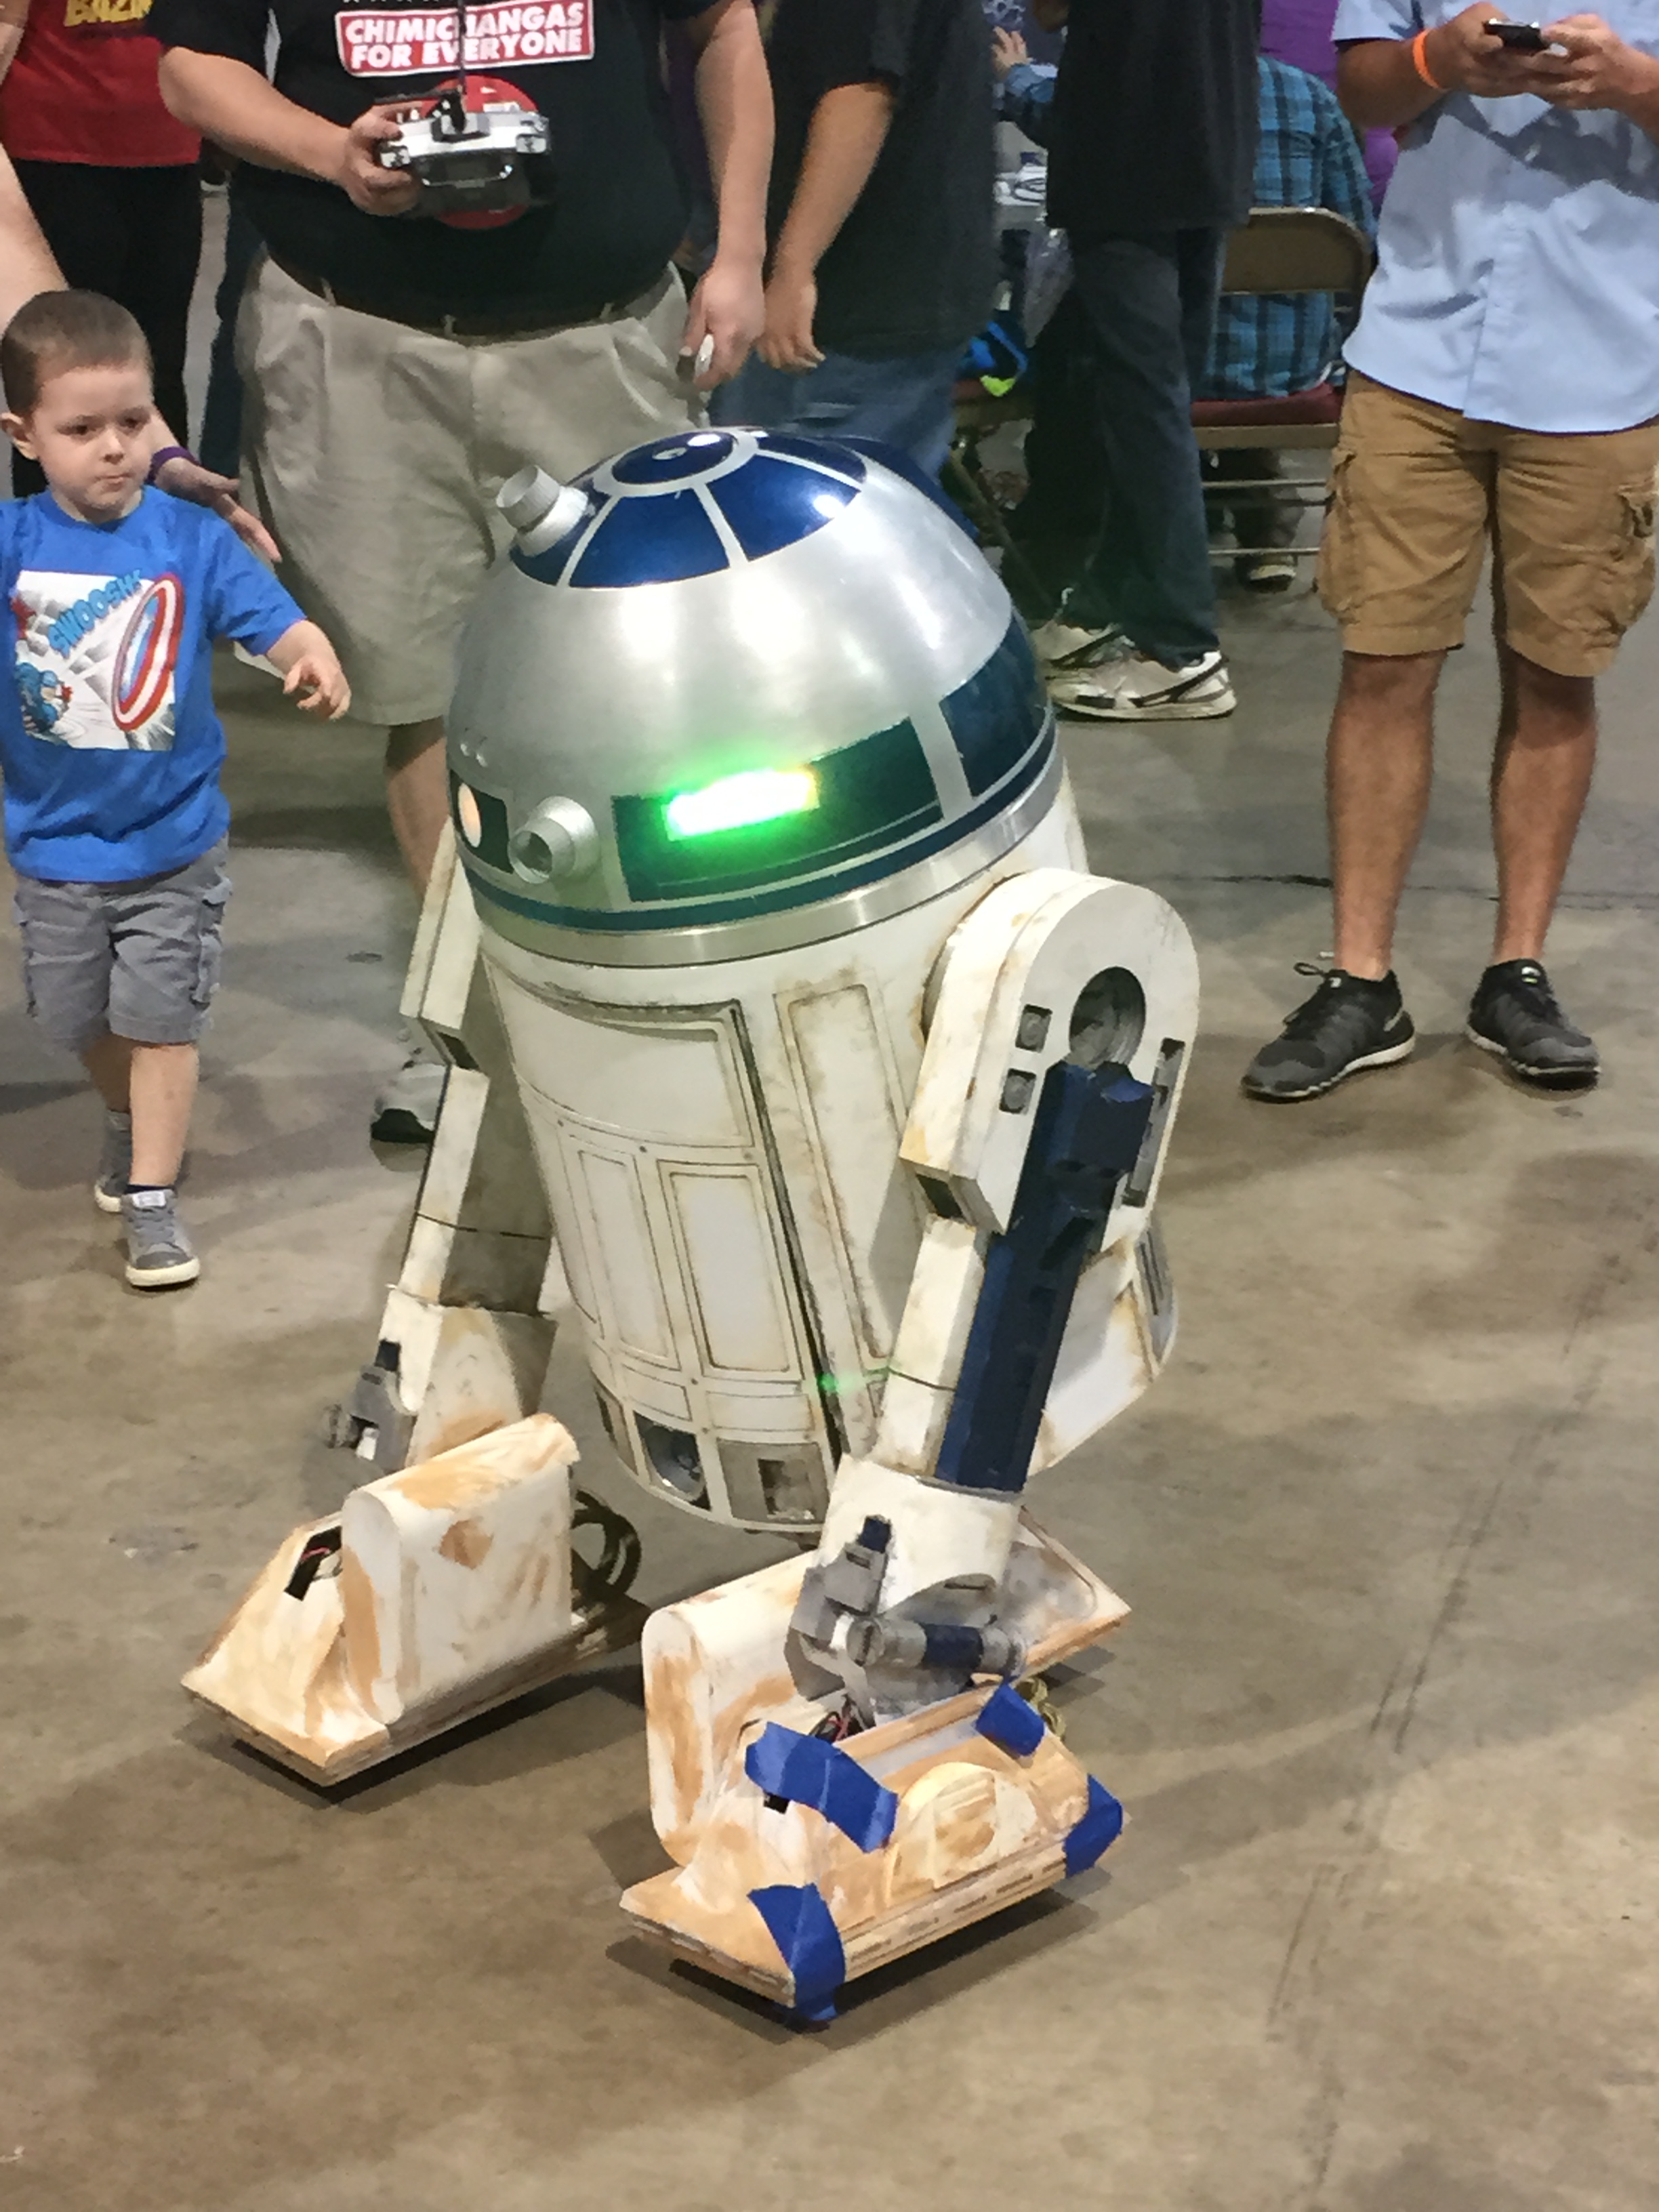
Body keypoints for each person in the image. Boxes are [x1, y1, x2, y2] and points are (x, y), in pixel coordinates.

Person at [150, 0, 772, 1141]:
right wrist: (331, 152)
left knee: (641, 699)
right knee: (422, 696)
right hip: (358, 346)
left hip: (600, 342)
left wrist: (741, 252)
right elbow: (193, 67)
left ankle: (656, 1006)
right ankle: (477, 1030)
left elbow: (722, 27)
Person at [1244, 3, 1659, 1102]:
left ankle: (1515, 972)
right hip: (1415, 354)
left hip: (1604, 365)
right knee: (1381, 660)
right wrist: (1439, 57)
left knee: (1556, 672)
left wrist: (1634, 85)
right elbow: (1363, 89)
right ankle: (1359, 978)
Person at [0, 291, 350, 1288]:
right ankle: (124, 1117)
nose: (114, 448)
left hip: (172, 842)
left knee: (161, 1023)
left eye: (132, 420)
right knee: (77, 1021)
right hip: (53, 846)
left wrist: (310, 649)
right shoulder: (13, 545)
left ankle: (152, 1196)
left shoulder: (190, 540)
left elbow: (269, 616)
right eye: (82, 430)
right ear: (23, 437)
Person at [991, 34, 1374, 598]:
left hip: (1166, 366)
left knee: (1096, 330)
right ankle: (1262, 513)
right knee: (1226, 329)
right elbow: (1360, 235)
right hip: (1289, 366)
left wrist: (1016, 72)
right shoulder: (1311, 97)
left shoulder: (1134, 94)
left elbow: (1060, 118)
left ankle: (1084, 549)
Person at [1027, 0, 1259, 723]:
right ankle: (1106, 603)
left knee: (1142, 405)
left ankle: (1179, 646)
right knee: (1157, 404)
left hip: (1124, 151)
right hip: (1214, 137)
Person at [710, 0, 997, 476]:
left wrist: (793, 268)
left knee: (792, 497)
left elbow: (861, 93)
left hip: (855, 296)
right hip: (894, 287)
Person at [0, 0, 203, 502]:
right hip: (53, 145)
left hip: (167, 145)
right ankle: (50, 531)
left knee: (155, 360)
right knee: (54, 366)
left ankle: (156, 523)